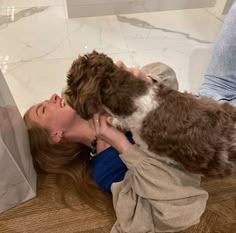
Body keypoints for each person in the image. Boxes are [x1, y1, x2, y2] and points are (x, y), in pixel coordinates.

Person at [24, 1, 236, 232]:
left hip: (210, 96)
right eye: (44, 109)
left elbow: (167, 73)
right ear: (56, 135)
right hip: (224, 141)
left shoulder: (107, 106)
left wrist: (143, 85)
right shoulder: (105, 168)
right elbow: (175, 207)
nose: (54, 97)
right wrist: (121, 143)